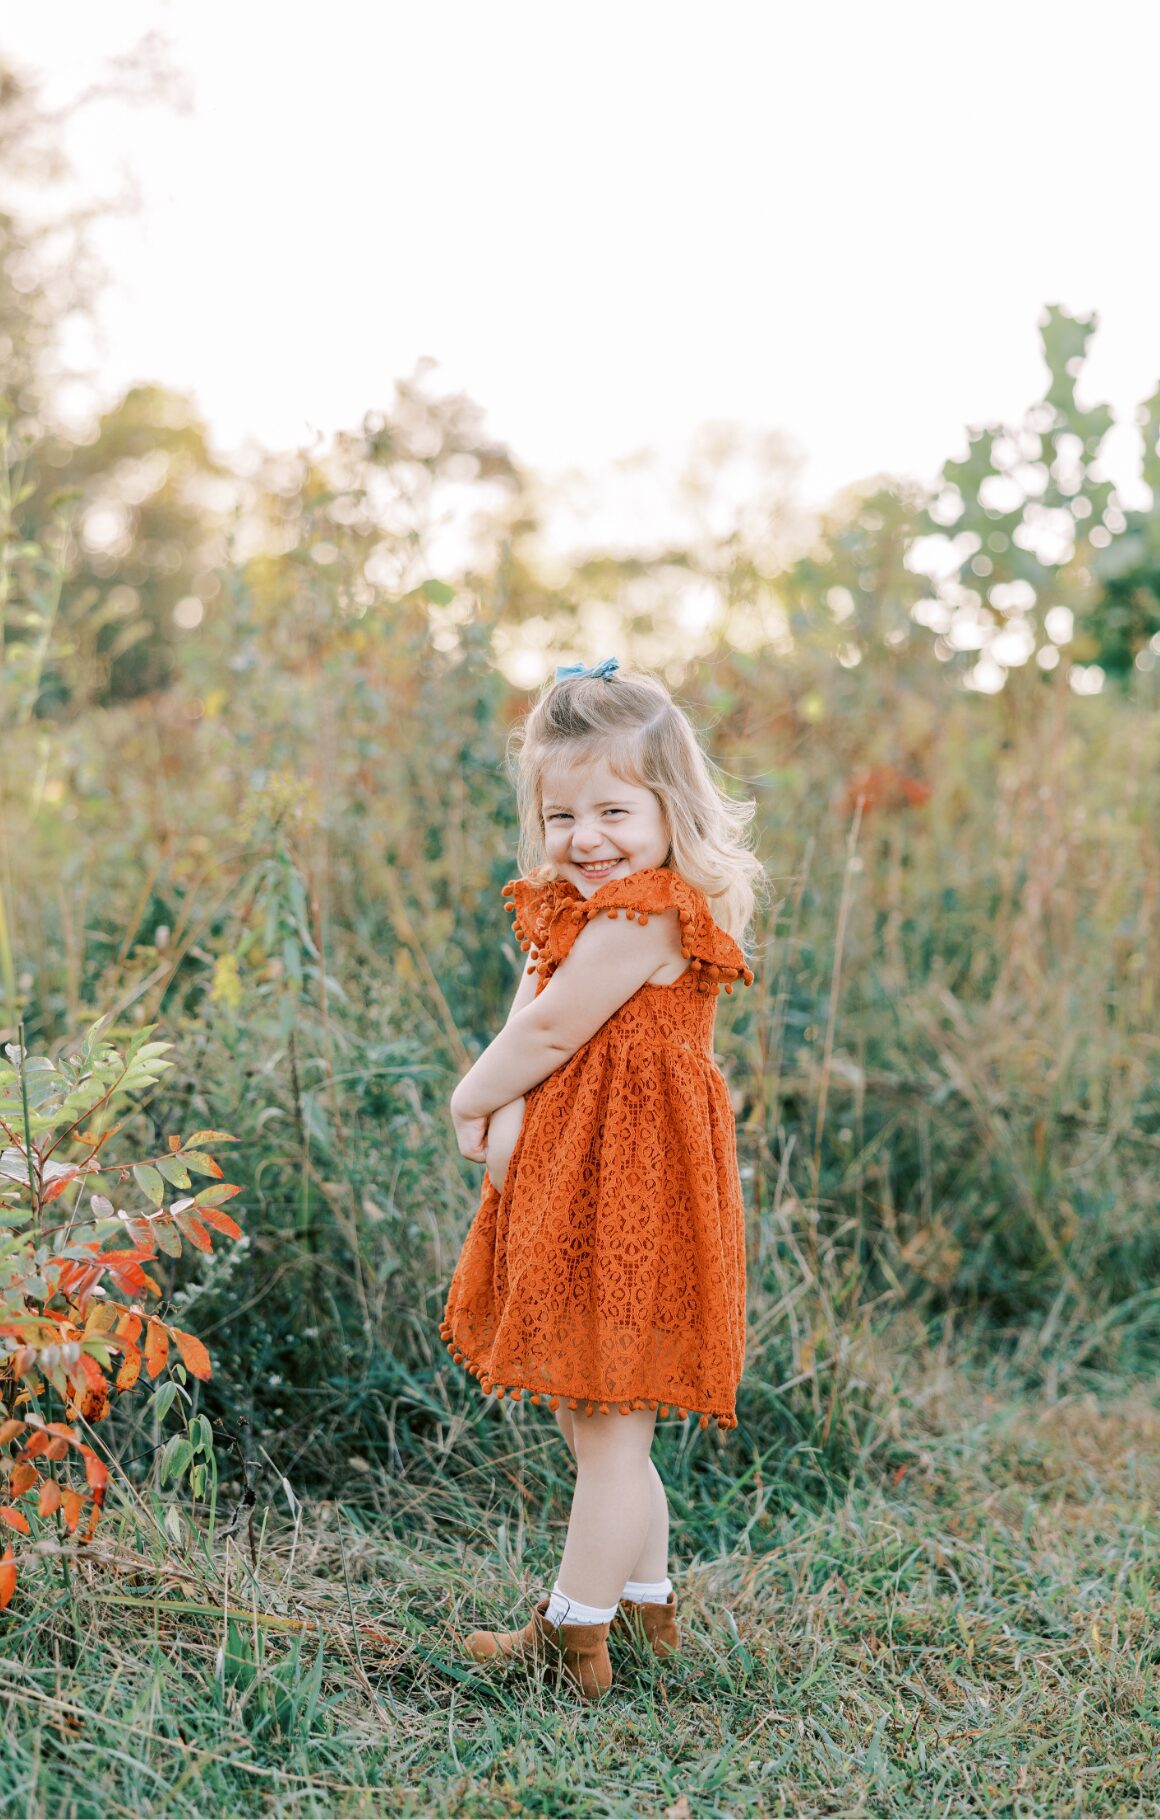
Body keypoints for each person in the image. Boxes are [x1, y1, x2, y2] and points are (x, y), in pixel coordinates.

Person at [441, 655, 767, 1699]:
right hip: (583, 1175)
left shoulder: (649, 913)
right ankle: (646, 1601)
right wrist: (507, 1118)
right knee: (599, 1418)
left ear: (672, 808)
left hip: (634, 1189)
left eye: (614, 809)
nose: (585, 837)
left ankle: (572, 1633)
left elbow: (546, 1027)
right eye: (561, 812)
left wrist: (468, 1098)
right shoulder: (576, 906)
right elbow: (530, 1006)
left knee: (613, 1422)